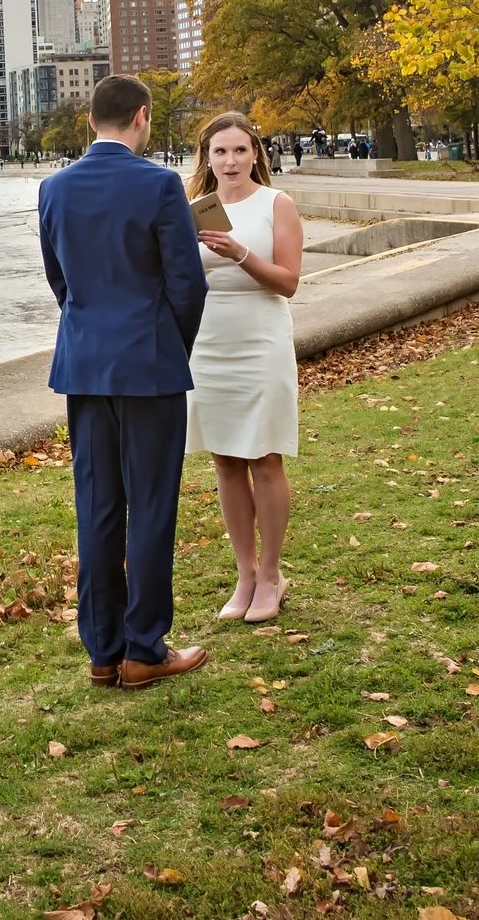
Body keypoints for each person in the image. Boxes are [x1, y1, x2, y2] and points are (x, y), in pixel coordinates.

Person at [39, 73, 211, 690]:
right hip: (150, 363)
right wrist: (169, 346)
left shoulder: (53, 188)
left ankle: (102, 648)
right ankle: (144, 647)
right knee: (152, 505)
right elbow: (187, 285)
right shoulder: (161, 185)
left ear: (91, 121)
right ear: (141, 118)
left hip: (84, 365)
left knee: (97, 506)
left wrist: (89, 329)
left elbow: (60, 281)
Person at [184, 112, 305, 623]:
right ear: (207, 159)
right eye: (220, 152)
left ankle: (273, 574)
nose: (230, 161)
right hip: (207, 342)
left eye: (239, 150)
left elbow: (288, 281)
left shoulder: (277, 204)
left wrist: (239, 253)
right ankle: (246, 572)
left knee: (265, 457)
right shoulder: (192, 210)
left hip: (260, 340)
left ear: (256, 153)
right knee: (226, 459)